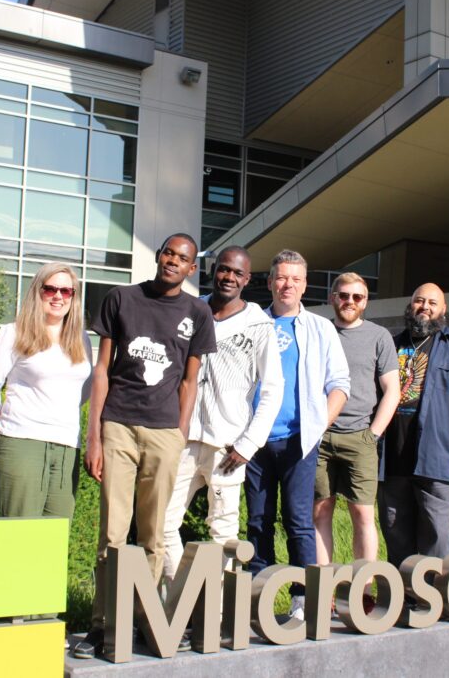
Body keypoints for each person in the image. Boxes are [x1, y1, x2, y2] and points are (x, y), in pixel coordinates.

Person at [76, 233, 215, 659]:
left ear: (192, 269)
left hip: (163, 432)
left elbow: (190, 380)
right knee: (113, 534)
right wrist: (94, 434)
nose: (174, 261)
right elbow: (102, 370)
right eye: (169, 253)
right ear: (159, 257)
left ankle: (140, 619)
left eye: (183, 258)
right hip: (118, 422)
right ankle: (103, 624)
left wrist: (179, 431)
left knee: (154, 534)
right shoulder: (121, 299)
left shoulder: (197, 311)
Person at [162, 246, 283, 580]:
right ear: (213, 270)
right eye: (223, 269)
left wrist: (248, 444)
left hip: (227, 447)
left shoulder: (259, 325)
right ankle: (178, 600)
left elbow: (273, 388)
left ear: (247, 279)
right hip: (182, 439)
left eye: (237, 273)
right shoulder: (190, 310)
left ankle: (214, 615)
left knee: (224, 535)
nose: (228, 277)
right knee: (161, 524)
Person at [245, 249, 350, 621]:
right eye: (281, 277)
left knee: (298, 521)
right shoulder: (252, 322)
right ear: (270, 281)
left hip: (299, 441)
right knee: (257, 521)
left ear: (305, 285)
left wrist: (319, 424)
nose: (287, 284)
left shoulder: (320, 328)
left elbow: (339, 383)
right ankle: (258, 599)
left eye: (295, 278)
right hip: (253, 442)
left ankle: (303, 601)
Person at [378, 283, 449, 564]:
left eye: (432, 302)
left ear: (443, 310)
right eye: (419, 301)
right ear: (410, 305)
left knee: (437, 534)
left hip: (438, 458)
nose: (424, 307)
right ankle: (402, 596)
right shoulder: (391, 344)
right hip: (392, 459)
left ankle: (433, 595)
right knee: (395, 530)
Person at [313, 272, 398, 610]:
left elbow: (392, 389)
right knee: (321, 512)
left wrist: (373, 434)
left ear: (366, 302)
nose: (349, 302)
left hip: (360, 436)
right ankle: (324, 593)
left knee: (362, 514)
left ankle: (362, 590)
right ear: (334, 297)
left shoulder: (379, 337)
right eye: (344, 295)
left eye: (357, 297)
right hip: (319, 437)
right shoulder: (319, 331)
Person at [0, 263, 92, 519]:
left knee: (56, 535)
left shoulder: (81, 338)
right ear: (38, 291)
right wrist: (0, 428)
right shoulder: (14, 333)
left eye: (67, 291)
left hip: (66, 443)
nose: (58, 296)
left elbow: (86, 388)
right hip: (22, 441)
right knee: (19, 531)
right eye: (51, 289)